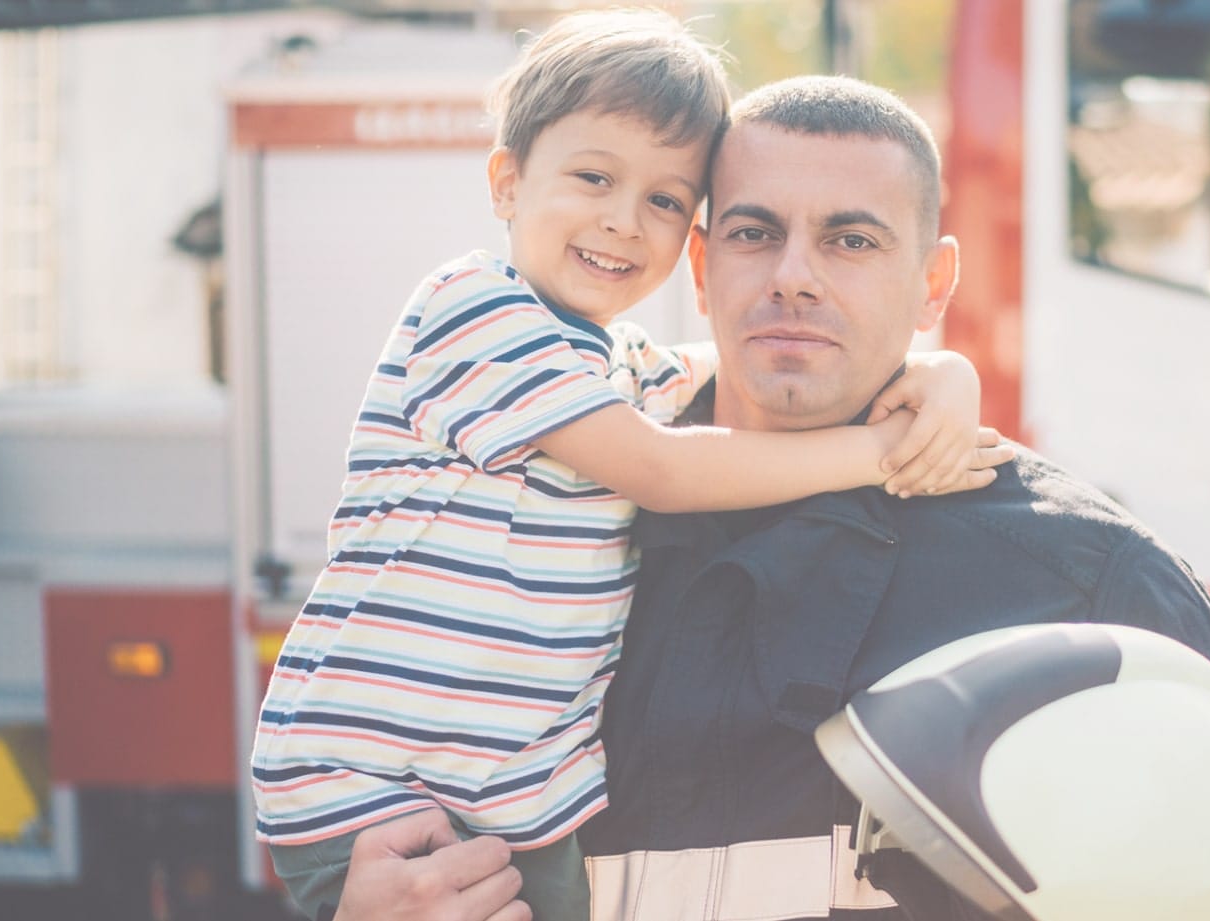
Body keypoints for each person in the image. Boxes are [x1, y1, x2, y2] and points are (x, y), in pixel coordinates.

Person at [327, 75, 1210, 920]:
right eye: (755, 233)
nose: (794, 274)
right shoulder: (553, 520)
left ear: (933, 284)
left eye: (852, 239)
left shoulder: (1072, 570)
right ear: (702, 270)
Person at [249, 15, 1009, 921]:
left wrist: (941, 372)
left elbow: (765, 364)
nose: (622, 219)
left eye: (663, 199)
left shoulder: (620, 362)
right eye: (594, 177)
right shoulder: (472, 309)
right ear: (507, 180)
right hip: (379, 781)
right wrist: (882, 453)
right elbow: (662, 468)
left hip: (502, 789)